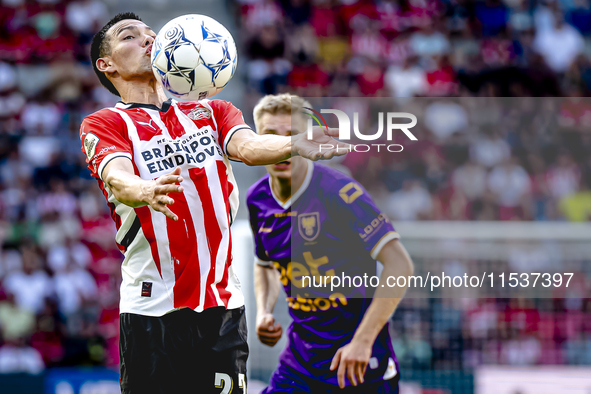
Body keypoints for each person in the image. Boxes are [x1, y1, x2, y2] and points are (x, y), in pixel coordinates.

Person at [82, 13, 347, 394]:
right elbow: (116, 177)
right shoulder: (104, 123)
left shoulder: (212, 111)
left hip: (222, 309)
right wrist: (144, 190)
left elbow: (249, 147)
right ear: (106, 65)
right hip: (151, 310)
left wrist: (294, 144)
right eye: (130, 36)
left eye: (151, 35)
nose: (147, 40)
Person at [247, 94, 414, 393]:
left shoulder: (341, 194)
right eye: (271, 136)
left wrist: (362, 342)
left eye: (292, 135)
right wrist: (264, 311)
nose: (283, 146)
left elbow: (400, 265)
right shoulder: (257, 199)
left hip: (358, 363)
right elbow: (265, 265)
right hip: (300, 365)